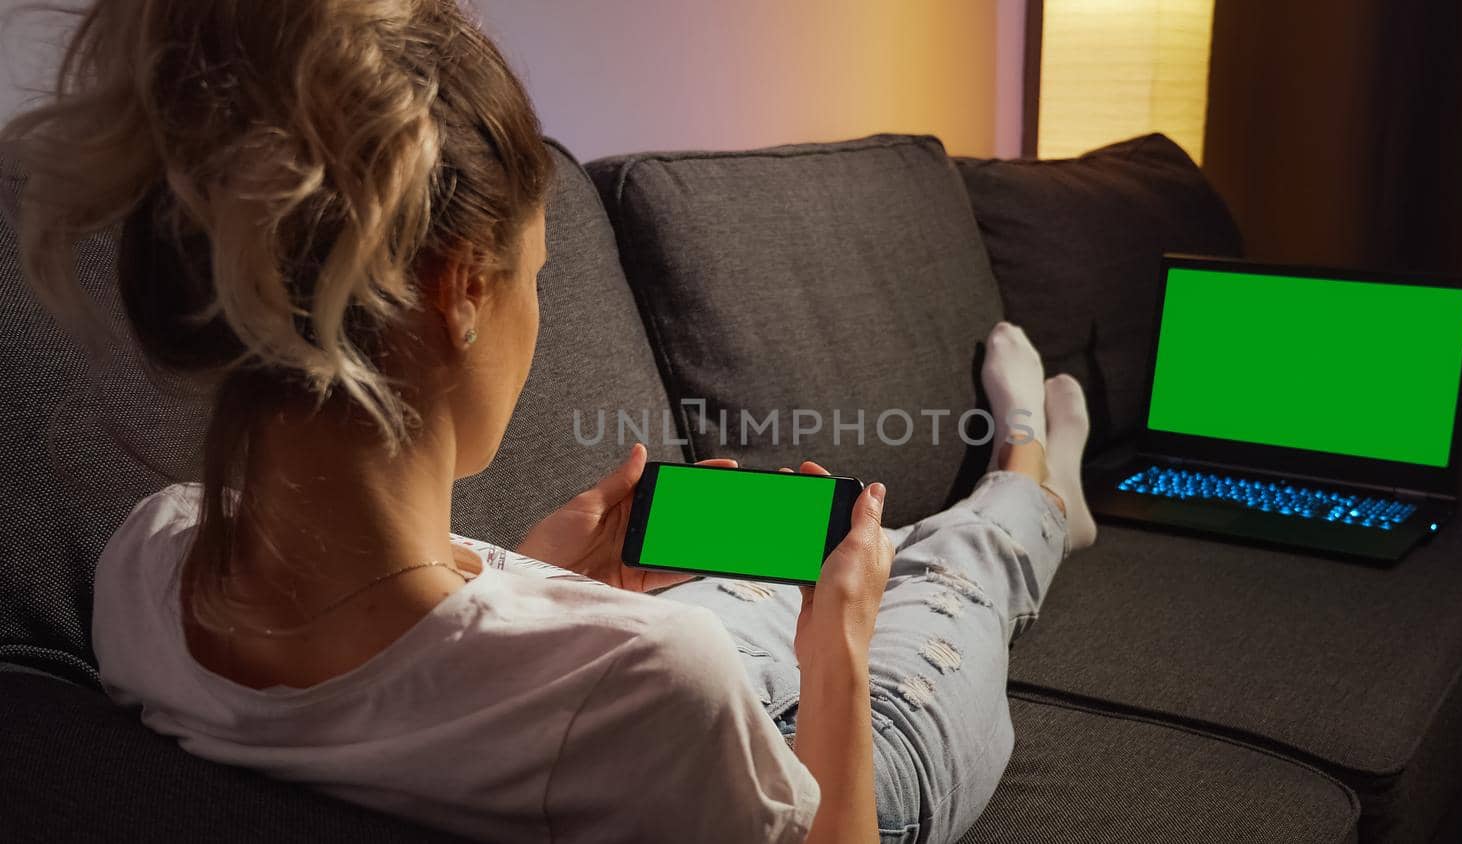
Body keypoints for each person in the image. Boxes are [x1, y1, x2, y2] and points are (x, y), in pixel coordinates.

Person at [3, 1, 1096, 841]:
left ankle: (985, 512)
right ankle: (1032, 480)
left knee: (833, 555)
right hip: (816, 780)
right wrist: (838, 654)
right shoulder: (649, 685)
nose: (539, 309)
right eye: (537, 274)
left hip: (644, 735)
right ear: (461, 291)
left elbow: (428, 699)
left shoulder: (148, 561)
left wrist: (547, 580)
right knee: (947, 580)